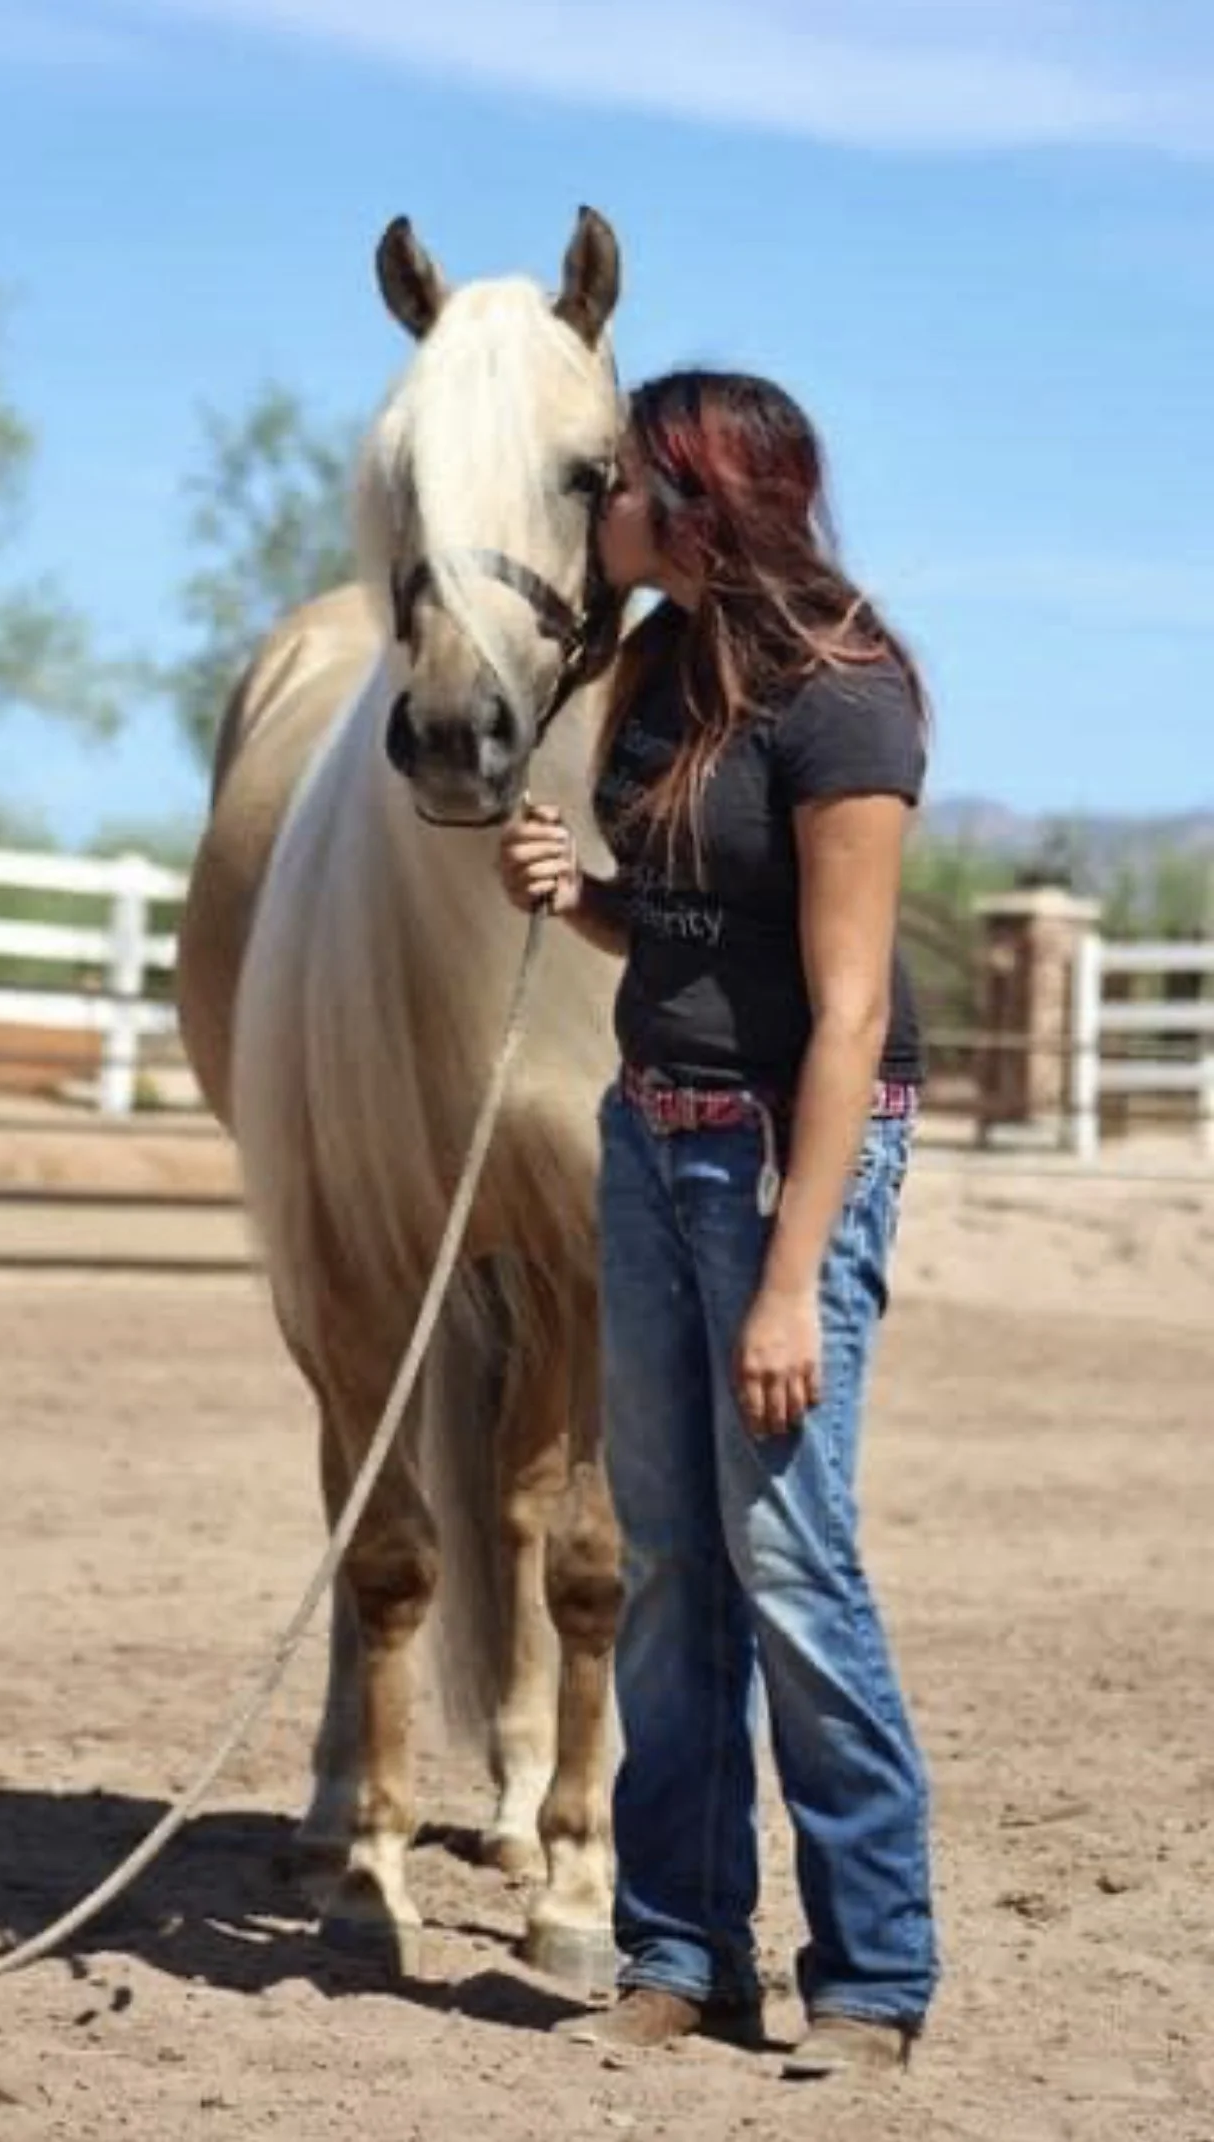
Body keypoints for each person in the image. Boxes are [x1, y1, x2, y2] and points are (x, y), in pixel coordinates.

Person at [498, 369, 939, 2081]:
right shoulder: (661, 665)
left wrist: (788, 1286)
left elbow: (840, 1018)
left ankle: (874, 1975)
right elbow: (685, 939)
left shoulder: (847, 696)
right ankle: (681, 1948)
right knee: (676, 1565)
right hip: (649, 1138)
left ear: (696, 498)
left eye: (616, 483)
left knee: (792, 1566)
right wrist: (581, 897)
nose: (595, 508)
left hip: (783, 1161)